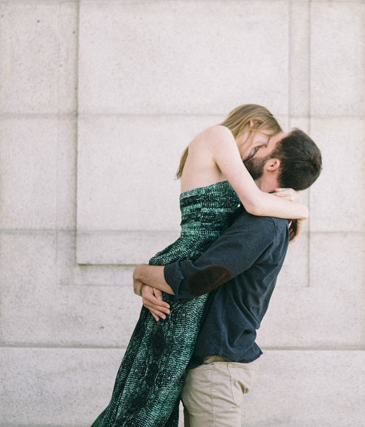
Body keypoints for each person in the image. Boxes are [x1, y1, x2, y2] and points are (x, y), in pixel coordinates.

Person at [91, 105, 308, 427]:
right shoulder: (218, 136)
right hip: (189, 264)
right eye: (261, 142)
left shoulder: (231, 161)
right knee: (146, 398)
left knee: (155, 396)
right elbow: (254, 202)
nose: (257, 152)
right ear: (251, 123)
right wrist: (304, 212)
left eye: (265, 149)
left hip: (191, 267)